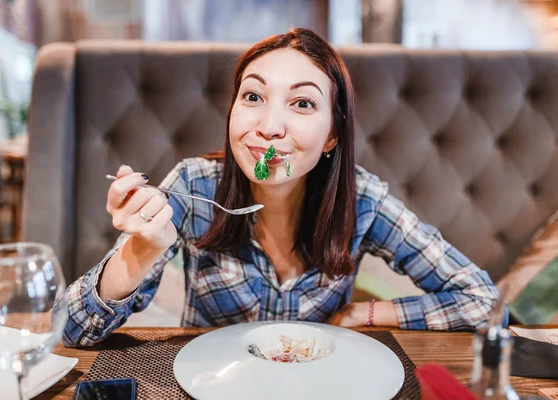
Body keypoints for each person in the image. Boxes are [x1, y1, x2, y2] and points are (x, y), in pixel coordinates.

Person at [62, 28, 505, 348]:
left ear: (333, 136)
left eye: (303, 103)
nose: (269, 127)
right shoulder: (192, 185)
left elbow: (485, 302)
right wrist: (141, 250)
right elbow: (72, 330)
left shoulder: (363, 200)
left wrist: (369, 313)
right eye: (253, 97)